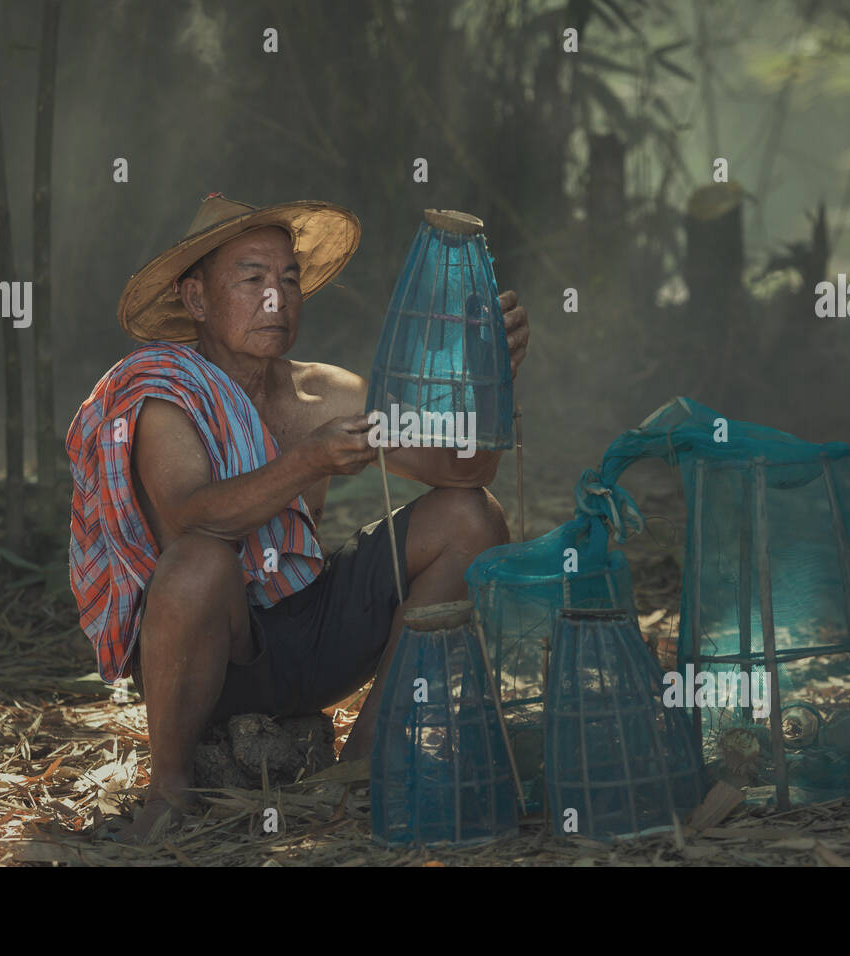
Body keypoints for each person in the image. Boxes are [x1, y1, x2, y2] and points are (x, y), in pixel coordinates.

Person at [66, 194, 530, 842]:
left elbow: (463, 472)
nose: (276, 299)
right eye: (252, 279)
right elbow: (189, 517)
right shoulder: (163, 393)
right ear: (196, 299)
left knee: (474, 519)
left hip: (312, 637)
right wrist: (308, 461)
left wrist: (489, 381)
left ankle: (366, 761)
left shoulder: (325, 392)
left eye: (289, 280)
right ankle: (168, 789)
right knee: (199, 559)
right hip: (217, 655)